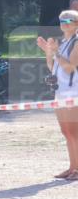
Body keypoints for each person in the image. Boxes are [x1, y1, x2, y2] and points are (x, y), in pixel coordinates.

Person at [37, 10, 78, 180]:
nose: (64, 22)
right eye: (62, 20)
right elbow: (52, 67)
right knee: (66, 131)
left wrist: (55, 52)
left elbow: (70, 67)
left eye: (69, 20)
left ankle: (76, 169)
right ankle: (72, 167)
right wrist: (48, 50)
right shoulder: (64, 42)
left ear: (76, 23)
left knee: (74, 132)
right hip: (60, 92)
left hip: (73, 92)